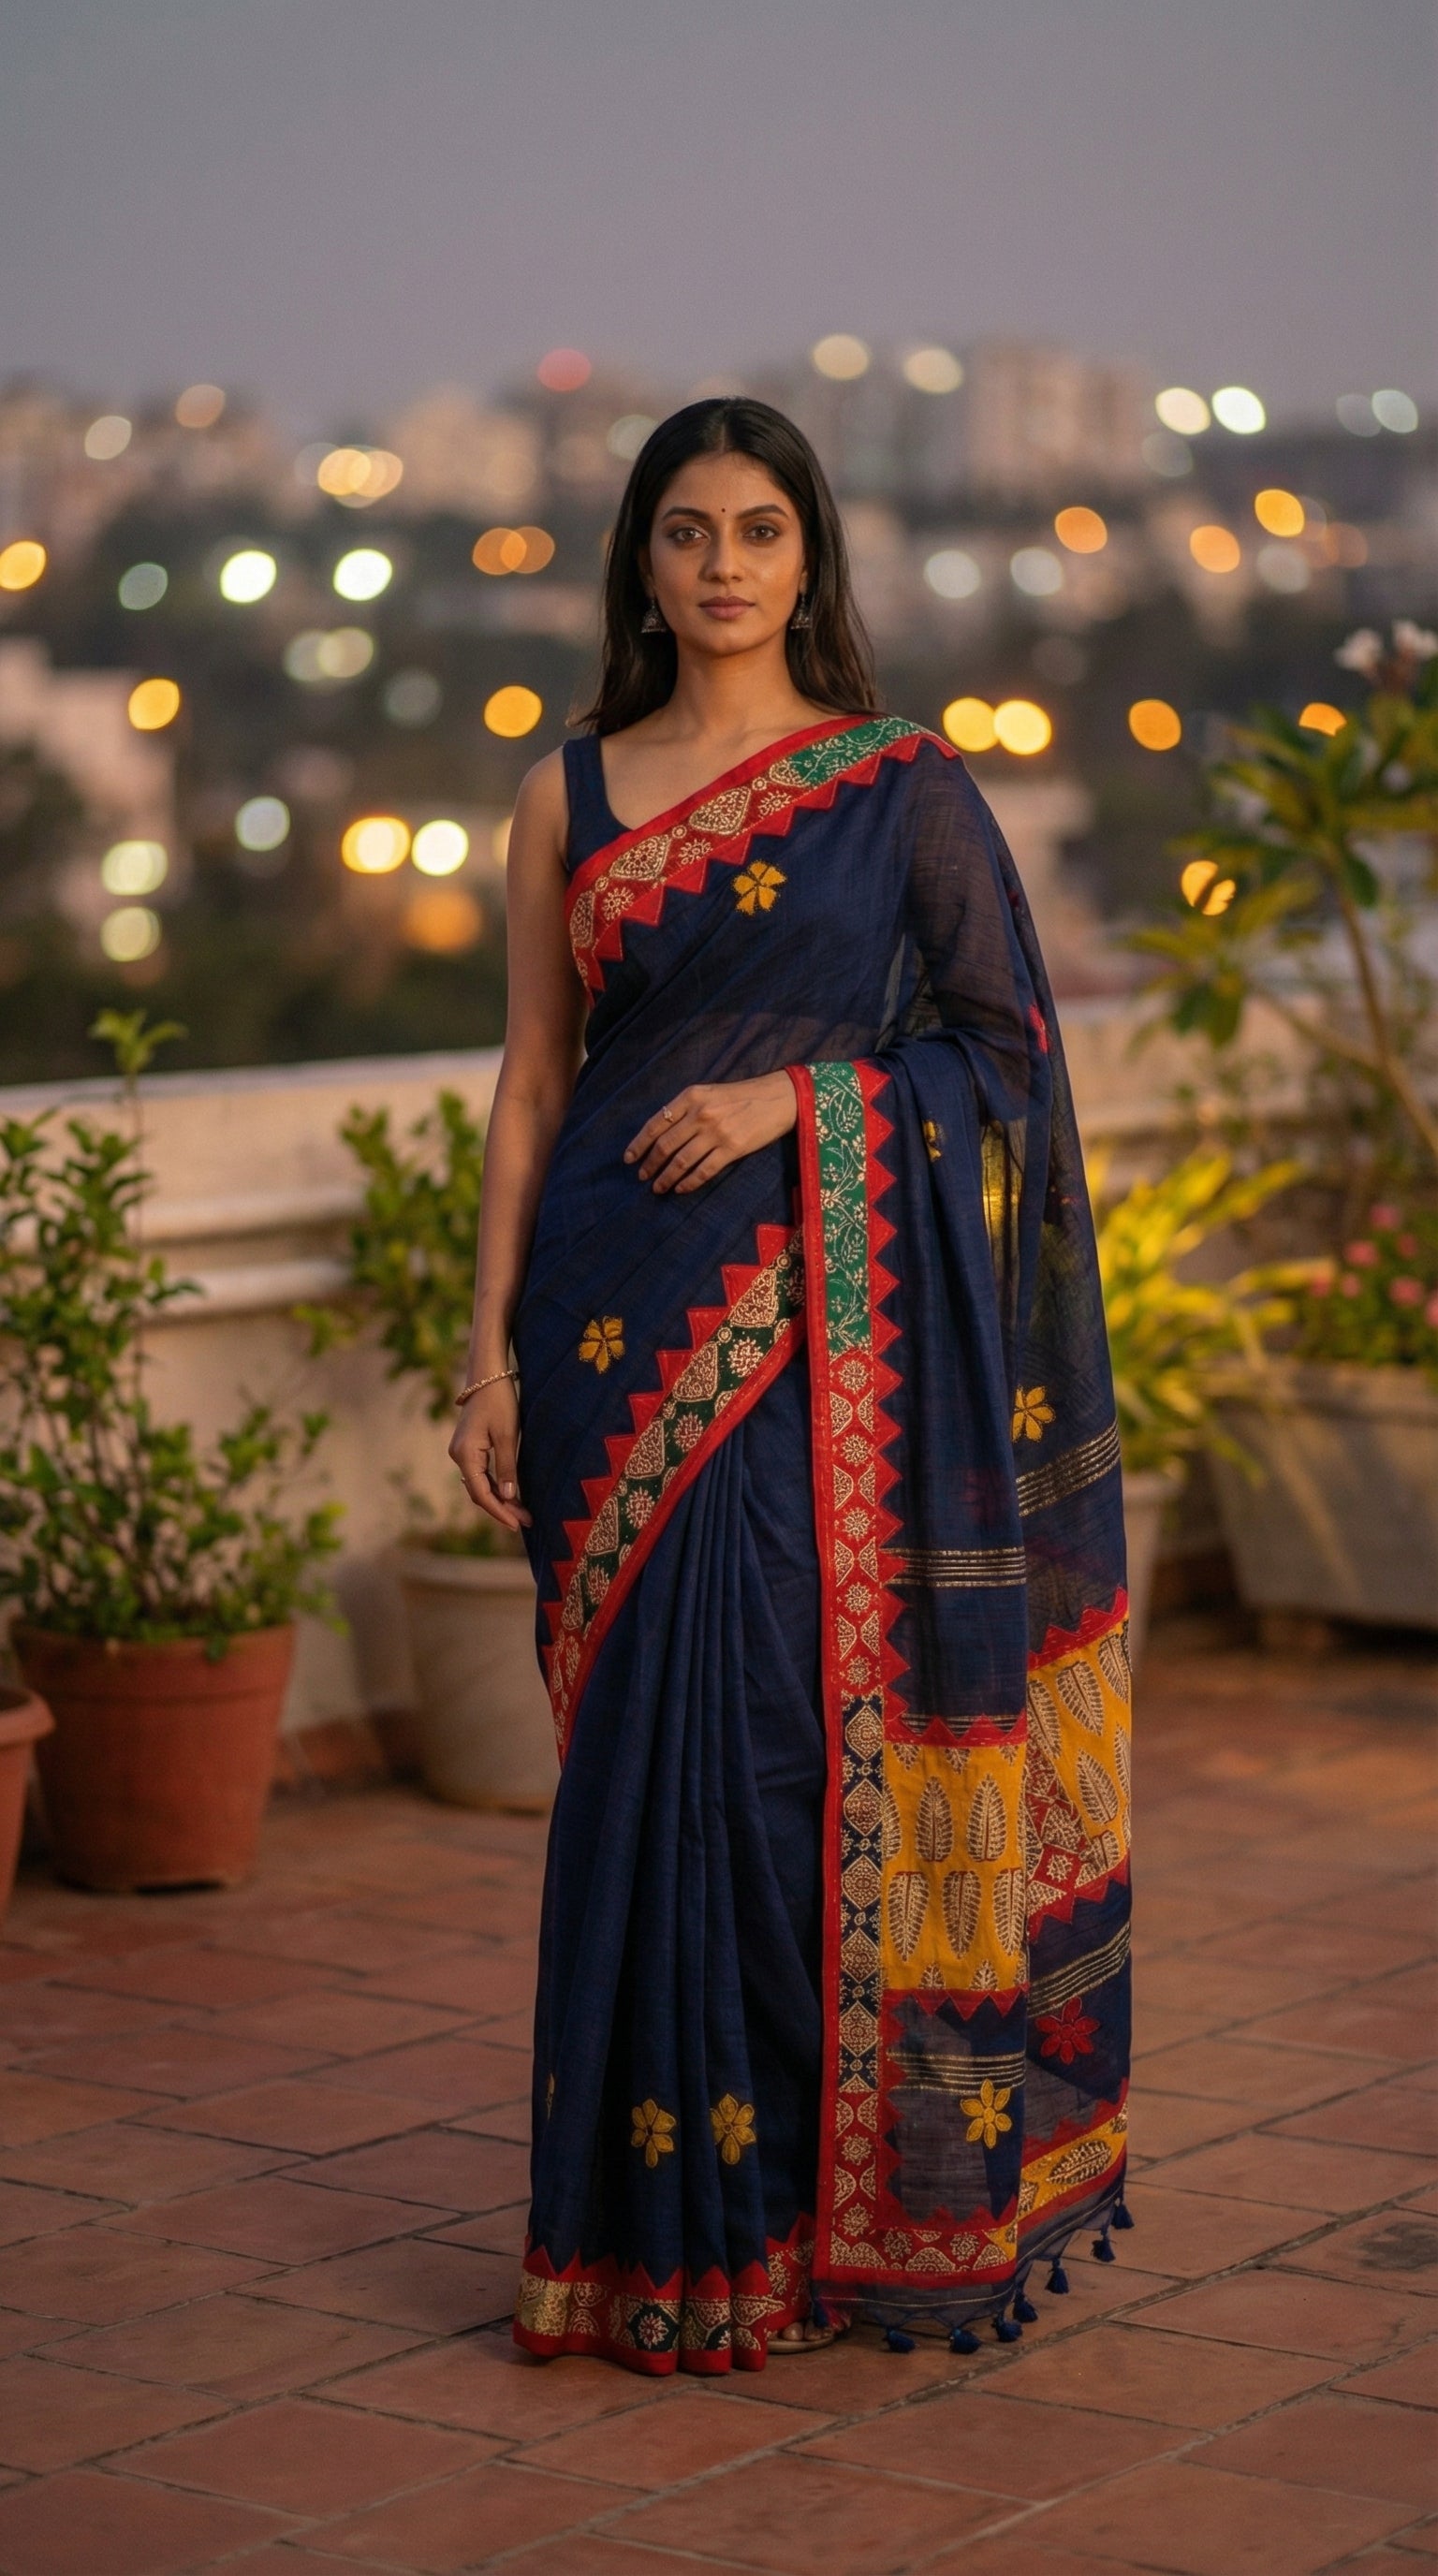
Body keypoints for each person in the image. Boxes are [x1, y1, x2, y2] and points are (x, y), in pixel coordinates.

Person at [450, 398, 1132, 2374]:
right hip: (602, 1323)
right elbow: (533, 1081)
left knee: (764, 1754)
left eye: (760, 528)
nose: (725, 563)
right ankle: (623, 2235)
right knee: (623, 1788)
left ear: (810, 557)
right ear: (640, 563)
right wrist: (488, 1349)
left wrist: (796, 1100)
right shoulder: (564, 790)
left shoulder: (896, 788)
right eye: (686, 530)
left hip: (811, 1332)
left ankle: (777, 2219)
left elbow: (1004, 1053)